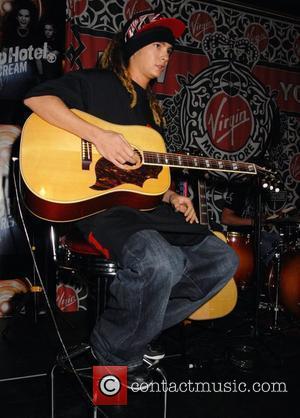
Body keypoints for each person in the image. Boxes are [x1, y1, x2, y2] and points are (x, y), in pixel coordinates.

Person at [24, 11, 238, 386]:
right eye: (158, 45)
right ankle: (115, 355)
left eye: (169, 50)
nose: (165, 56)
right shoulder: (98, 83)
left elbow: (142, 175)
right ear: (134, 46)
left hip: (147, 211)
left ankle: (128, 336)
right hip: (101, 210)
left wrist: (172, 196)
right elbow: (38, 100)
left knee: (222, 260)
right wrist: (98, 136)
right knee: (162, 262)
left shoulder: (152, 114)